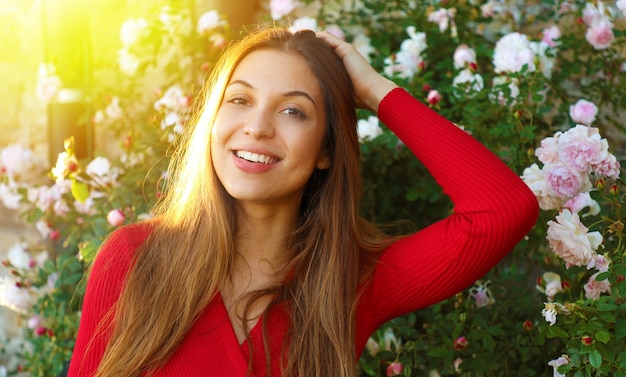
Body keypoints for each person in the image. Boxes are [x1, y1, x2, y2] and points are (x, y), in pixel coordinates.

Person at [67, 27, 539, 377]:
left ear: (327, 151)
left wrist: (374, 90)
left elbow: (502, 210)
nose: (257, 127)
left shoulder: (349, 283)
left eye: (293, 110)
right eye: (239, 100)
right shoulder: (134, 260)